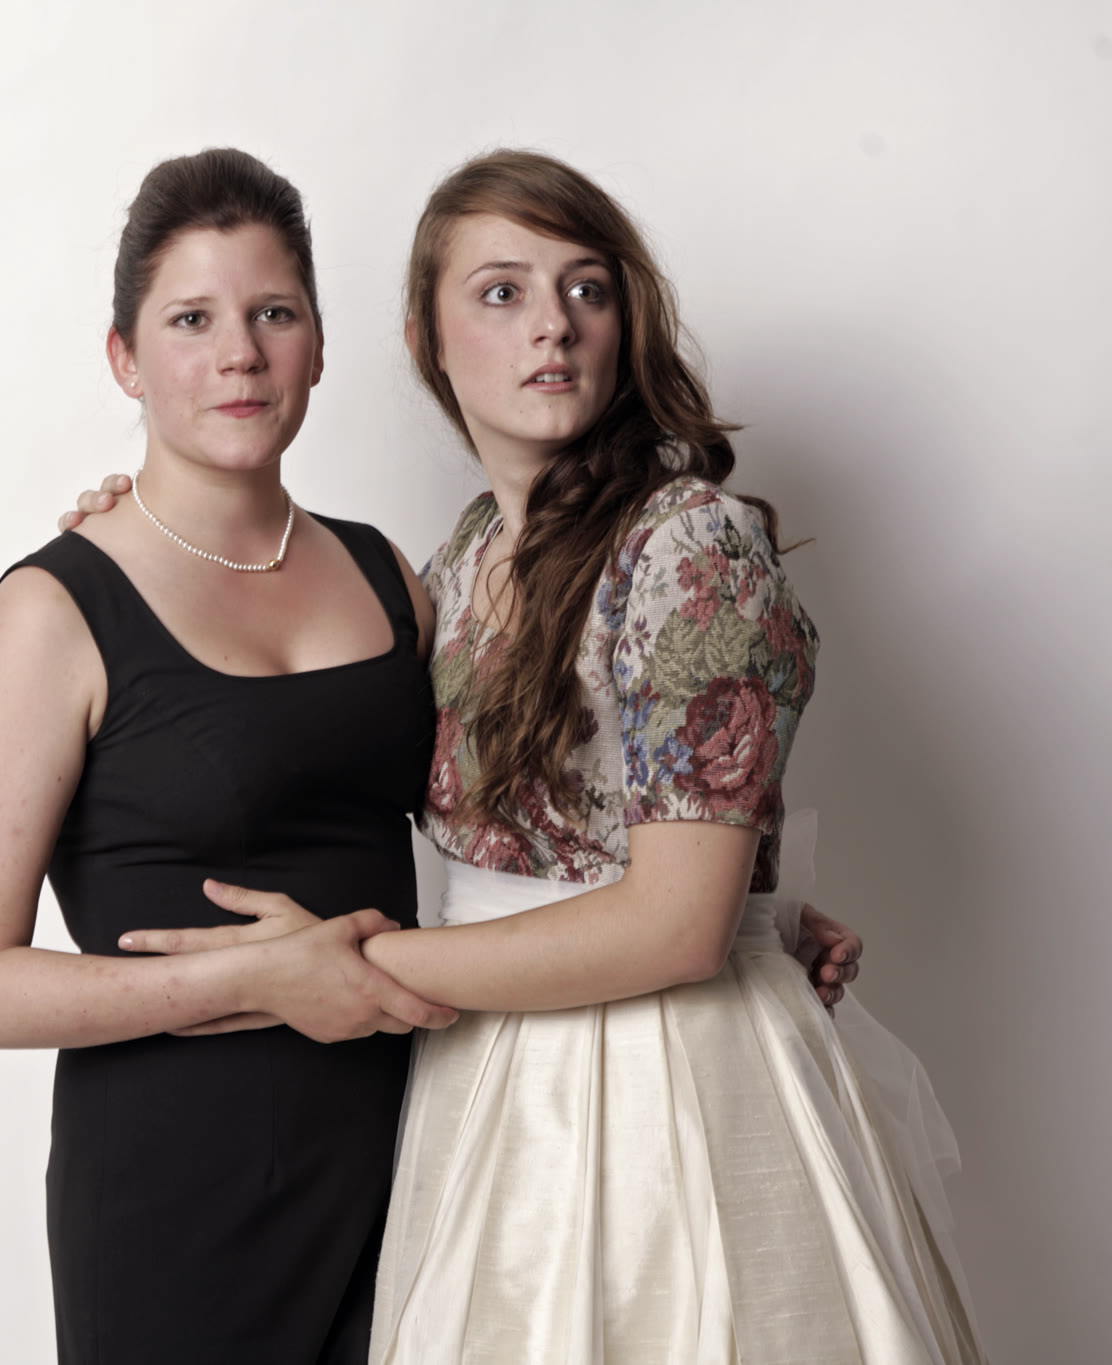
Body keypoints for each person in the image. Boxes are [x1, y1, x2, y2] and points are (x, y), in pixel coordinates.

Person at [93, 150, 983, 1361]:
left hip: (670, 1080)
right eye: (501, 292)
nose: (551, 326)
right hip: (485, 1084)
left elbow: (675, 927)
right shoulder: (451, 568)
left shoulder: (690, 545)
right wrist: (138, 528)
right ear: (425, 339)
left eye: (584, 289)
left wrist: (354, 966)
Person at [0, 148, 459, 1364]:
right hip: (176, 1198)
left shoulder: (391, 578)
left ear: (317, 345)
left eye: (273, 313)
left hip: (408, 1157)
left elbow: (515, 823)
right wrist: (254, 982)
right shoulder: (52, 615)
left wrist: (754, 917)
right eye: (190, 320)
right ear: (125, 358)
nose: (239, 355)